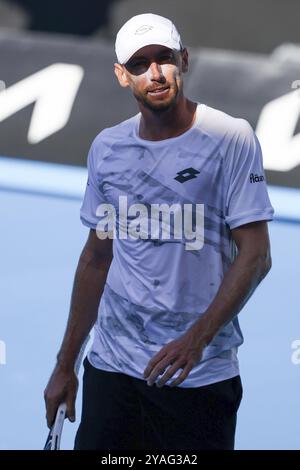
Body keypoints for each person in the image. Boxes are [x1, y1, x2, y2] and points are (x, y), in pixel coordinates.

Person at [44, 12, 274, 450]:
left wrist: (195, 341)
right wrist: (65, 364)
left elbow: (257, 255)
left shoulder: (231, 138)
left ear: (183, 60)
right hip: (112, 370)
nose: (154, 73)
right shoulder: (108, 148)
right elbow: (97, 257)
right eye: (138, 64)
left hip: (196, 376)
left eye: (163, 58)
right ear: (120, 75)